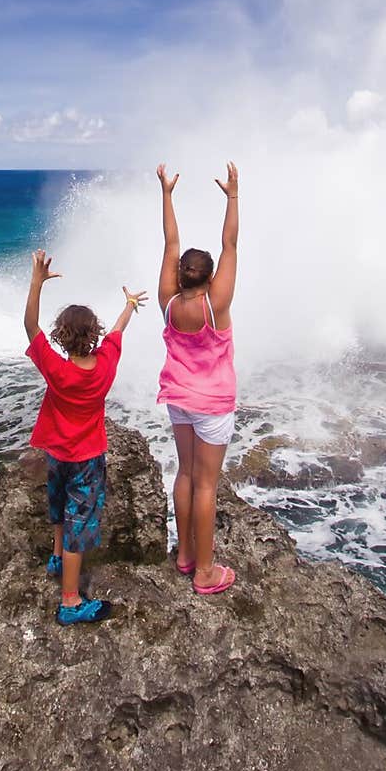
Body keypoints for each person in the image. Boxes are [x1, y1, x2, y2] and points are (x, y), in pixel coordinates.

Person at [23, 248, 147, 626]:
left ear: (61, 336)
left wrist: (36, 283)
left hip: (58, 453)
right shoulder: (106, 364)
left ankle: (57, 555)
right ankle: (70, 601)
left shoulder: (57, 371)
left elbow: (30, 327)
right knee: (80, 523)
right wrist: (128, 304)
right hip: (88, 458)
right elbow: (118, 330)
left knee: (59, 506)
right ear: (93, 335)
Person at [156, 161, 238, 595]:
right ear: (209, 278)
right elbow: (230, 243)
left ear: (181, 276)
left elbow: (171, 243)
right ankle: (205, 572)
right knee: (206, 484)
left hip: (178, 400)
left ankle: (185, 556)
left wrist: (167, 194)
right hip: (212, 404)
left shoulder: (168, 303)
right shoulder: (215, 305)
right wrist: (233, 196)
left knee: (185, 474)